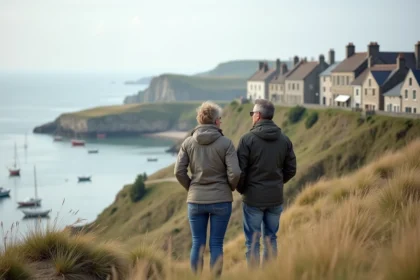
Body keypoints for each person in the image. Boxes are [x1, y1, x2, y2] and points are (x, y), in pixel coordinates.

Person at [174, 101, 241, 276]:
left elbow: (178, 171)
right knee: (217, 244)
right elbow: (235, 173)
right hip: (221, 200)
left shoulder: (188, 143)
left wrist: (192, 188)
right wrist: (229, 188)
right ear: (216, 121)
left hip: (195, 200)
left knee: (197, 243)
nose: (221, 121)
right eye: (220, 119)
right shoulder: (226, 143)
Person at [236, 99, 296, 267]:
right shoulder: (284, 140)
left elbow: (239, 171)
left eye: (252, 113)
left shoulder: (247, 139)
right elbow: (291, 169)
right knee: (271, 239)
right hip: (275, 198)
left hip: (253, 199)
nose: (251, 116)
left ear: (258, 115)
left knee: (253, 242)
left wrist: (243, 190)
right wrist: (277, 183)